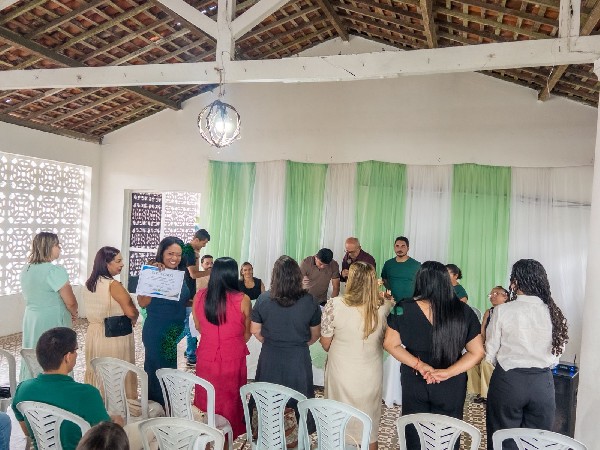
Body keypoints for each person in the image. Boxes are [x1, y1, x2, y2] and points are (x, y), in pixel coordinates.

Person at [383, 261, 484, 450]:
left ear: (420, 281)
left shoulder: (402, 307)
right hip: (451, 383)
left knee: (414, 430)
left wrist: (420, 365)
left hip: (415, 378)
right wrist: (447, 372)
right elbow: (477, 352)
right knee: (448, 432)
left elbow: (390, 344)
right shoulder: (464, 311)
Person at [486, 259, 569, 450]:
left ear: (515, 282)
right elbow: (558, 353)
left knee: (502, 439)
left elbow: (490, 351)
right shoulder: (555, 313)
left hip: (508, 381)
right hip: (542, 384)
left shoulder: (502, 310)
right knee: (535, 442)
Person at [11, 327, 125, 450]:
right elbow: (105, 441)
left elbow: (28, 432)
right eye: (76, 350)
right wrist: (118, 423)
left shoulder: (22, 390)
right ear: (68, 357)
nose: (76, 354)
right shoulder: (87, 394)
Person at [321, 262, 393, 450]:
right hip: (370, 373)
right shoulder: (385, 306)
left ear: (351, 280)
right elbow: (387, 342)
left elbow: (326, 343)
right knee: (369, 427)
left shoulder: (334, 304)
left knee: (337, 422)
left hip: (341, 372)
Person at [251, 255, 321, 429]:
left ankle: (267, 433)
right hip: (298, 357)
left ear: (274, 275)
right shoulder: (309, 300)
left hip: (270, 356)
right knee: (299, 398)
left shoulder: (263, 299)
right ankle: (298, 435)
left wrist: (272, 342)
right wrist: (298, 344)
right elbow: (315, 334)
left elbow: (255, 330)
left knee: (268, 398)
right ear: (297, 275)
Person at [192, 257, 251, 438]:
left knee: (206, 397)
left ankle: (206, 436)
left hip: (207, 355)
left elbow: (198, 326)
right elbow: (247, 333)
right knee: (230, 399)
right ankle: (227, 437)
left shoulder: (200, 296)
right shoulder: (243, 299)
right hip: (232, 357)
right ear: (234, 275)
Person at [136, 236, 191, 407]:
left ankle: (165, 410)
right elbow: (142, 302)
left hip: (172, 334)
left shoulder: (179, 273)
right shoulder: (153, 271)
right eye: (170, 253)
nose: (175, 258)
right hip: (157, 331)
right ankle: (156, 412)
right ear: (162, 252)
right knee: (157, 374)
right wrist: (152, 278)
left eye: (178, 254)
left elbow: (182, 301)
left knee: (167, 373)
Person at [20, 232, 78, 380]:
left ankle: (33, 382)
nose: (60, 248)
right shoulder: (54, 271)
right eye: (57, 245)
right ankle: (56, 386)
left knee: (34, 350)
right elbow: (70, 301)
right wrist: (74, 312)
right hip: (51, 319)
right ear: (48, 247)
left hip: (31, 318)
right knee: (54, 353)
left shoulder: (26, 269)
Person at [83, 247, 139, 397]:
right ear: (106, 263)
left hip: (94, 334)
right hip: (114, 336)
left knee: (97, 372)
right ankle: (118, 404)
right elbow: (131, 312)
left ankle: (98, 401)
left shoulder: (90, 283)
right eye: (118, 261)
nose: (122, 264)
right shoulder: (113, 285)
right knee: (115, 373)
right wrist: (134, 318)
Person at [467, 286, 508, 403]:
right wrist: (481, 347)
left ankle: (488, 394)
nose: (492, 296)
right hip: (488, 346)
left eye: (496, 293)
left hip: (503, 349)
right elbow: (482, 332)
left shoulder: (509, 312)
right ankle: (478, 391)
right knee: (472, 362)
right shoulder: (488, 312)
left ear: (505, 296)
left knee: (486, 363)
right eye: (491, 294)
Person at [180, 229, 211, 367]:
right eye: (203, 243)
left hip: (187, 292)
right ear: (197, 240)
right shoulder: (189, 251)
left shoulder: (189, 251)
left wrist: (197, 257)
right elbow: (193, 274)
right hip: (186, 293)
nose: (204, 246)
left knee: (189, 324)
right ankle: (191, 355)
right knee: (190, 326)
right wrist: (210, 272)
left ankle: (190, 352)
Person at [381, 236, 421, 312]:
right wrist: (390, 291)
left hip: (410, 305)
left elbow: (421, 284)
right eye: (397, 246)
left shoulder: (416, 265)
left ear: (408, 248)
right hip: (391, 304)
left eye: (403, 246)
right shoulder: (388, 264)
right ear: (394, 247)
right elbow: (384, 279)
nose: (400, 249)